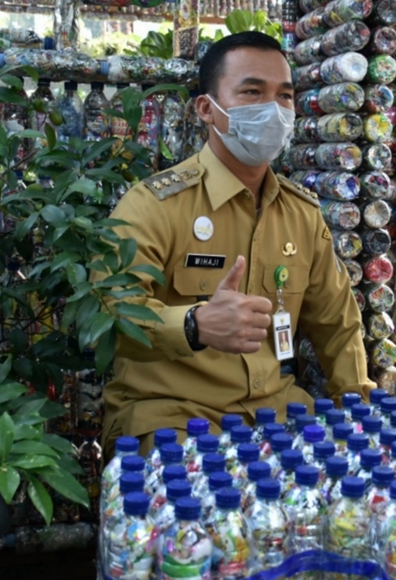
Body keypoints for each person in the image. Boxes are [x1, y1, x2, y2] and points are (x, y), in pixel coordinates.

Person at [98, 32, 374, 458]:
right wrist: (195, 325)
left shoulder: (301, 214)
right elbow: (110, 315)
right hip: (173, 417)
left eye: (284, 96)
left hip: (277, 412)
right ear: (207, 108)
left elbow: (337, 324)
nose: (274, 109)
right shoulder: (153, 206)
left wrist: (357, 406)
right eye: (252, 92)